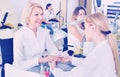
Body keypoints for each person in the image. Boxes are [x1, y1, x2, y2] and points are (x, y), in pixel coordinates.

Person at [49, 12, 120, 77]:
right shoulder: (104, 47)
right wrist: (71, 59)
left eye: (85, 28)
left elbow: (72, 75)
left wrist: (54, 69)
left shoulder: (98, 53)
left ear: (93, 28)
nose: (84, 31)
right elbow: (89, 64)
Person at [13, 1, 60, 73]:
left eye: (41, 14)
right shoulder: (19, 35)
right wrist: (39, 60)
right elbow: (18, 64)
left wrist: (52, 60)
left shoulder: (44, 32)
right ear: (27, 17)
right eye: (36, 15)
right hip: (26, 71)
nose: (41, 17)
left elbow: (53, 50)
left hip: (42, 68)